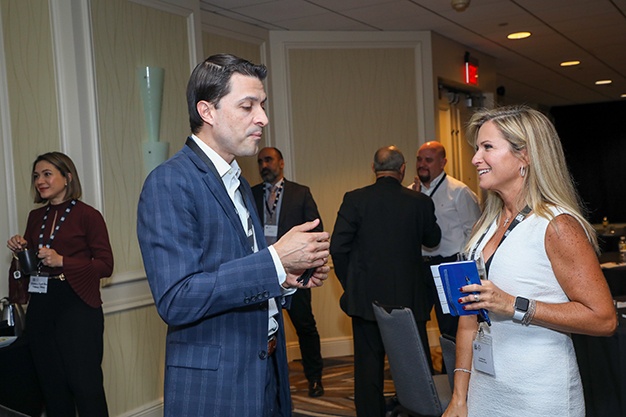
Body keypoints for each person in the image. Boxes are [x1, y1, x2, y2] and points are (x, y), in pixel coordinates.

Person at [137, 54, 330, 417]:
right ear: (207, 111)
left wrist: (285, 276)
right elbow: (177, 298)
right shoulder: (170, 182)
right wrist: (275, 261)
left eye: (263, 105)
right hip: (217, 388)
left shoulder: (237, 181)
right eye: (247, 106)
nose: (263, 118)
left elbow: (236, 271)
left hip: (267, 371)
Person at [443, 105, 617, 417]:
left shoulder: (557, 225)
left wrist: (514, 305)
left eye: (487, 147)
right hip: (485, 389)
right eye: (477, 148)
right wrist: (458, 396)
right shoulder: (485, 226)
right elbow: (468, 319)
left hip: (539, 395)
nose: (475, 159)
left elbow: (603, 319)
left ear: (524, 155)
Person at [330, 146, 441, 417]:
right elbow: (433, 239)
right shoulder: (419, 201)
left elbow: (338, 248)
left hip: (367, 301)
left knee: (368, 372)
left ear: (374, 168)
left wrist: (352, 285)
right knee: (415, 371)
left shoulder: (355, 199)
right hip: (410, 300)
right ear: (402, 169)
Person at [6, 152, 113, 417]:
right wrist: (21, 252)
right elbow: (32, 267)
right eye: (36, 176)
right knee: (51, 386)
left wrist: (63, 261)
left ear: (67, 177)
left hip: (77, 305)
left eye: (47, 174)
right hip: (42, 305)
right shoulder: (35, 217)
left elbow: (105, 265)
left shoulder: (89, 215)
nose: (39, 181)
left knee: (86, 386)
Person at [252, 147, 325, 398]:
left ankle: (315, 378)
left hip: (296, 274)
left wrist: (309, 267)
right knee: (264, 330)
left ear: (281, 163)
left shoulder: (300, 193)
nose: (264, 165)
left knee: (305, 327)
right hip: (262, 274)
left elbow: (316, 232)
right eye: (260, 161)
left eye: (269, 160)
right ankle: (270, 383)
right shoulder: (251, 194)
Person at [408, 141, 481, 341]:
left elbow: (474, 232)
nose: (422, 164)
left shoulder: (459, 191)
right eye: (419, 159)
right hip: (419, 267)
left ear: (443, 162)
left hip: (449, 265)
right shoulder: (410, 193)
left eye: (428, 160)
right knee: (415, 322)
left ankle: (453, 362)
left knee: (450, 326)